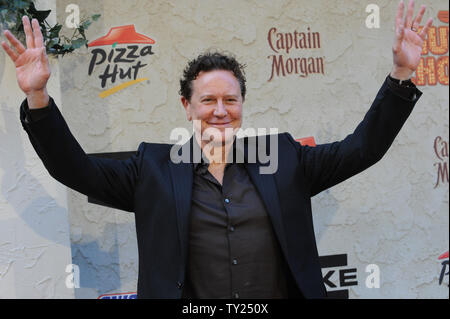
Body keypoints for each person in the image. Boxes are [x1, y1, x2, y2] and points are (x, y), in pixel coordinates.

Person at [1, 1, 433, 299]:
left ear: (243, 105)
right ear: (186, 106)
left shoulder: (284, 159)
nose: (220, 111)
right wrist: (38, 97)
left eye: (231, 100)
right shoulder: (151, 168)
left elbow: (362, 150)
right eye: (208, 100)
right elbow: (73, 169)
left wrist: (400, 72)